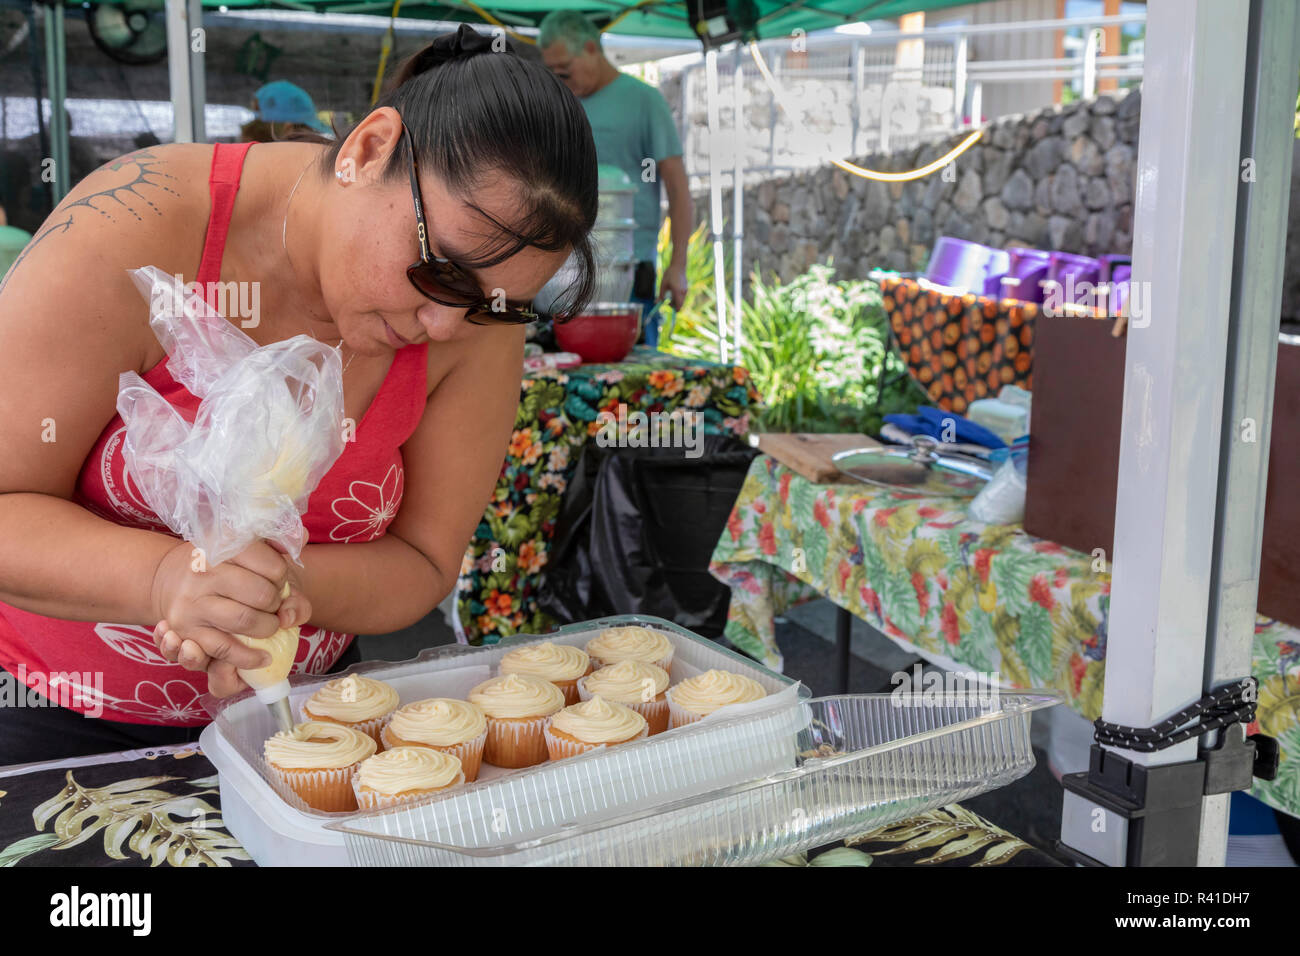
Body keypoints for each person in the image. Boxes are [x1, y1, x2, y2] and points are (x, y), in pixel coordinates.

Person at [0, 24, 597, 765]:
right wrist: (159, 581)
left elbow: (422, 560)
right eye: (439, 271)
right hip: (59, 720)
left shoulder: (482, 302)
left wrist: (260, 597)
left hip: (310, 724)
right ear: (368, 148)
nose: (446, 324)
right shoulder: (136, 224)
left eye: (496, 306)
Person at [539, 11, 691, 346]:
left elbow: (678, 189)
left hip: (628, 268)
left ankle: (627, 405)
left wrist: (678, 265)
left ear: (591, 48)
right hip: (561, 270)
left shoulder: (643, 101)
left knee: (629, 384)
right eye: (552, 73)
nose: (560, 80)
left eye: (564, 70)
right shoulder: (560, 107)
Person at [241, 79, 333, 142]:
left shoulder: (243, 158)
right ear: (288, 128)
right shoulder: (303, 163)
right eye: (308, 130)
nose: (313, 137)